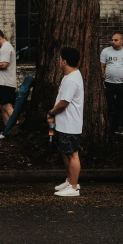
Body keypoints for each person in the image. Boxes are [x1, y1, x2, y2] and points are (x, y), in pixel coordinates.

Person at [49, 47, 84, 197]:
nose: (58, 61)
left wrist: (51, 113)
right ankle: (70, 180)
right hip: (64, 122)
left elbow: (64, 102)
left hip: (70, 123)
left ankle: (74, 187)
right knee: (65, 152)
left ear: (64, 61)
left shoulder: (72, 79)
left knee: (72, 154)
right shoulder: (70, 76)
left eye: (60, 59)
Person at [99, 33, 123, 135]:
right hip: (108, 83)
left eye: (116, 40)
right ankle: (106, 128)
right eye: (112, 40)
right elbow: (102, 67)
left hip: (122, 84)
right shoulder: (106, 51)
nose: (113, 42)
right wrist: (101, 80)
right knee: (107, 105)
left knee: (121, 105)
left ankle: (119, 127)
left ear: (122, 41)